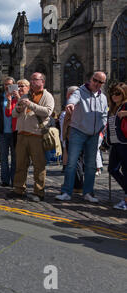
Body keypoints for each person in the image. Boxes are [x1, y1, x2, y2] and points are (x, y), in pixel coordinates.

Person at [56, 71, 109, 203]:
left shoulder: (103, 97)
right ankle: (67, 192)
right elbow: (73, 99)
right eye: (95, 80)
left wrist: (100, 128)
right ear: (91, 79)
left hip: (94, 134)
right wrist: (70, 104)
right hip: (78, 131)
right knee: (72, 162)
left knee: (91, 165)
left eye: (100, 82)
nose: (97, 84)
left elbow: (104, 115)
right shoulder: (80, 91)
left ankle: (88, 192)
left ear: (103, 84)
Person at [7, 73, 54, 202]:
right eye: (31, 79)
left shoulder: (47, 96)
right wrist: (19, 107)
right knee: (20, 164)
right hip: (22, 134)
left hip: (36, 135)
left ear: (42, 82)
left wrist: (30, 105)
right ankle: (19, 189)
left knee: (39, 165)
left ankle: (39, 192)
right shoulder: (25, 96)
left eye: (35, 79)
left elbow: (47, 112)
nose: (32, 81)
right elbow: (14, 115)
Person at [106, 82, 127, 210]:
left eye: (118, 93)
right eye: (112, 93)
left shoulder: (125, 106)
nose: (114, 96)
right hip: (115, 144)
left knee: (126, 171)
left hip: (125, 144)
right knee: (112, 169)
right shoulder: (113, 108)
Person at [61, 86, 84, 193]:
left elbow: (69, 122)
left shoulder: (76, 106)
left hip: (74, 136)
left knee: (76, 162)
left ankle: (78, 185)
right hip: (71, 136)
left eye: (68, 94)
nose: (67, 96)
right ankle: (75, 184)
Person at [0, 77, 17, 187]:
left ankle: (14, 179)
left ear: (14, 85)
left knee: (15, 157)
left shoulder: (17, 98)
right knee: (3, 157)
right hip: (3, 131)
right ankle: (5, 180)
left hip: (15, 132)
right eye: (5, 84)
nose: (7, 87)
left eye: (10, 84)